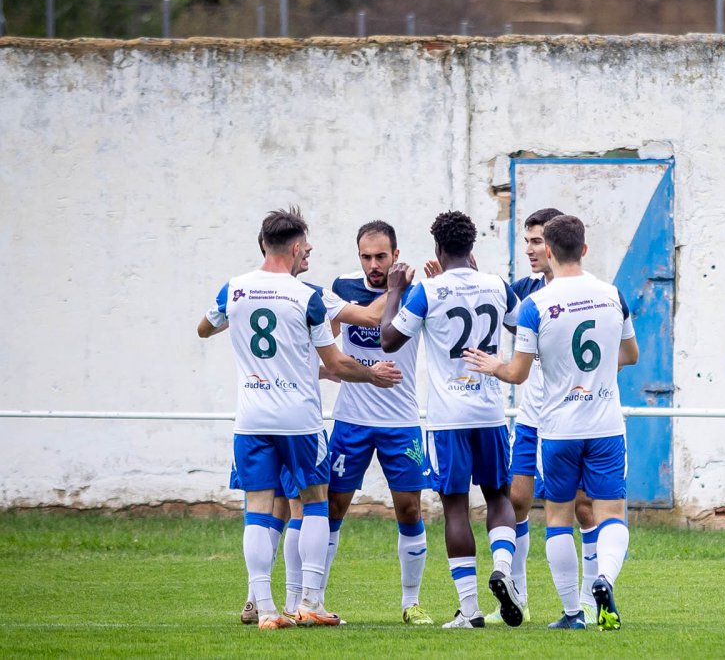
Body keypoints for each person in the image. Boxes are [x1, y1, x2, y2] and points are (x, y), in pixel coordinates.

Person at [197, 207, 402, 630]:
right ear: (294, 248)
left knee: (257, 508)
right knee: (313, 504)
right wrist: (371, 376)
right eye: (305, 247)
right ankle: (309, 601)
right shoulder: (305, 296)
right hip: (298, 420)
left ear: (261, 245)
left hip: (252, 418)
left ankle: (267, 609)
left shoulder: (234, 290)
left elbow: (204, 328)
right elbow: (336, 363)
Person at [465, 214, 639, 631]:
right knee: (610, 512)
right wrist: (592, 380)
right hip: (605, 424)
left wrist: (494, 366)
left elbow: (518, 373)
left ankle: (573, 613)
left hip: (558, 426)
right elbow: (630, 354)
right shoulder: (612, 293)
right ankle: (602, 581)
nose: (530, 248)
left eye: (536, 241)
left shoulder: (536, 305)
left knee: (560, 515)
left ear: (550, 250)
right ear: (584, 248)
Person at [429, 207, 599, 625]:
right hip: (530, 415)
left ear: (558, 245)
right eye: (526, 241)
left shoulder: (582, 292)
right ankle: (515, 592)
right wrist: (460, 285)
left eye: (538, 241)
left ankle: (589, 599)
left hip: (573, 414)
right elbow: (499, 322)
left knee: (582, 506)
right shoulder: (522, 290)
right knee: (517, 500)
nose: (530, 249)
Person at [380, 211, 523, 629]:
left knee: (455, 507)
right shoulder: (497, 284)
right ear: (471, 247)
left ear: (438, 250)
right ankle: (502, 568)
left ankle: (471, 609)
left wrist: (394, 292)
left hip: (448, 417)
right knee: (498, 496)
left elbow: (390, 339)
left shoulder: (428, 289)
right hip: (490, 410)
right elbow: (519, 325)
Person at [323, 220, 434, 626]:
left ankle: (411, 602)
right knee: (334, 506)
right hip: (351, 419)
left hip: (400, 421)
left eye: (381, 257)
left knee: (409, 508)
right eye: (366, 256)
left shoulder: (418, 293)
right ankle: (315, 601)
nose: (373, 264)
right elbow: (326, 336)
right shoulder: (343, 287)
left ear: (396, 254)